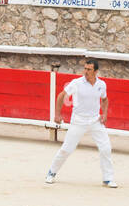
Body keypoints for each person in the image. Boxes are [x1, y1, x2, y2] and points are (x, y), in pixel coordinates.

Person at [45, 58, 116, 188]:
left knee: (106, 148)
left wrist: (104, 114)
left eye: (89, 69)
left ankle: (108, 178)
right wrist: (57, 114)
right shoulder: (76, 83)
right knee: (67, 149)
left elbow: (105, 100)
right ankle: (51, 172)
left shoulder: (101, 84)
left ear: (95, 71)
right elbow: (61, 96)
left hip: (95, 120)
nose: (85, 71)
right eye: (85, 68)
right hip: (79, 120)